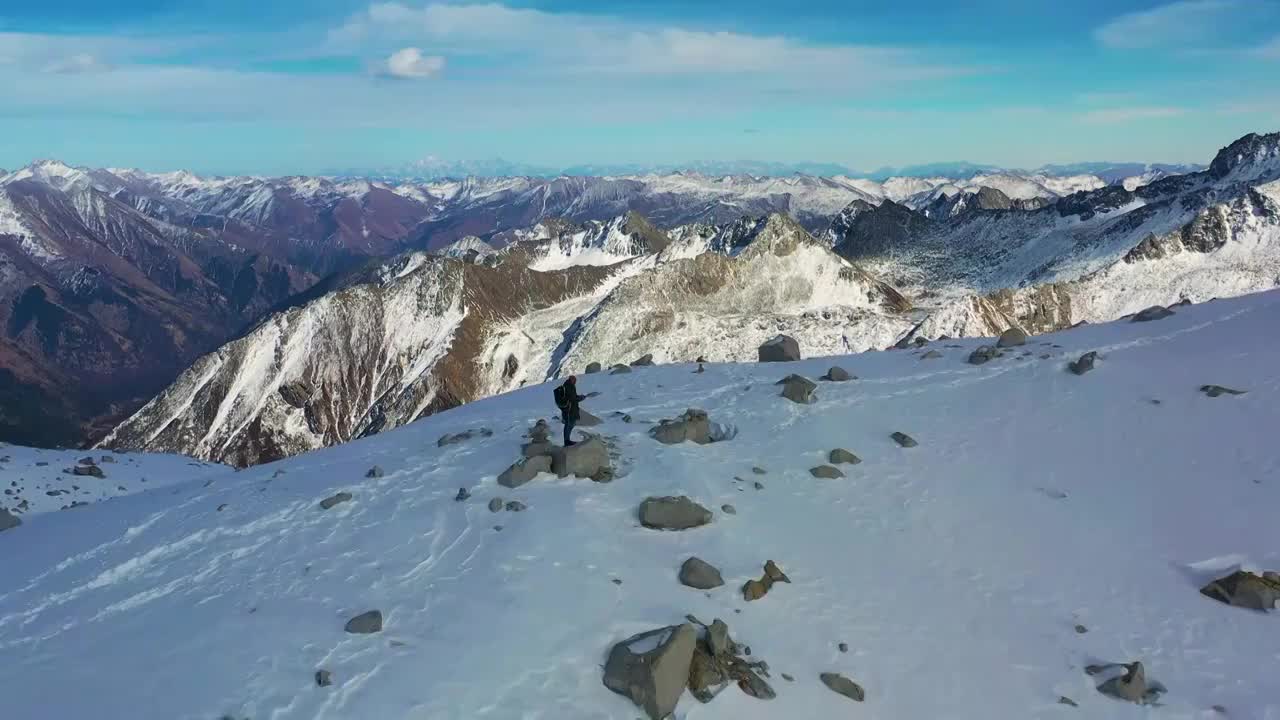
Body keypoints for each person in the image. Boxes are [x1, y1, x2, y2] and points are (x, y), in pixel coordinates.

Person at [554, 375, 586, 446]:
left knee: (571, 423)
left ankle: (567, 440)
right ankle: (566, 441)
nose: (575, 381)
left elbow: (573, 397)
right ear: (571, 380)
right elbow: (572, 399)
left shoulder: (570, 386)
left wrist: (579, 397)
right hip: (568, 409)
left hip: (571, 409)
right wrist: (580, 398)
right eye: (574, 380)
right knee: (568, 424)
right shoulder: (568, 386)